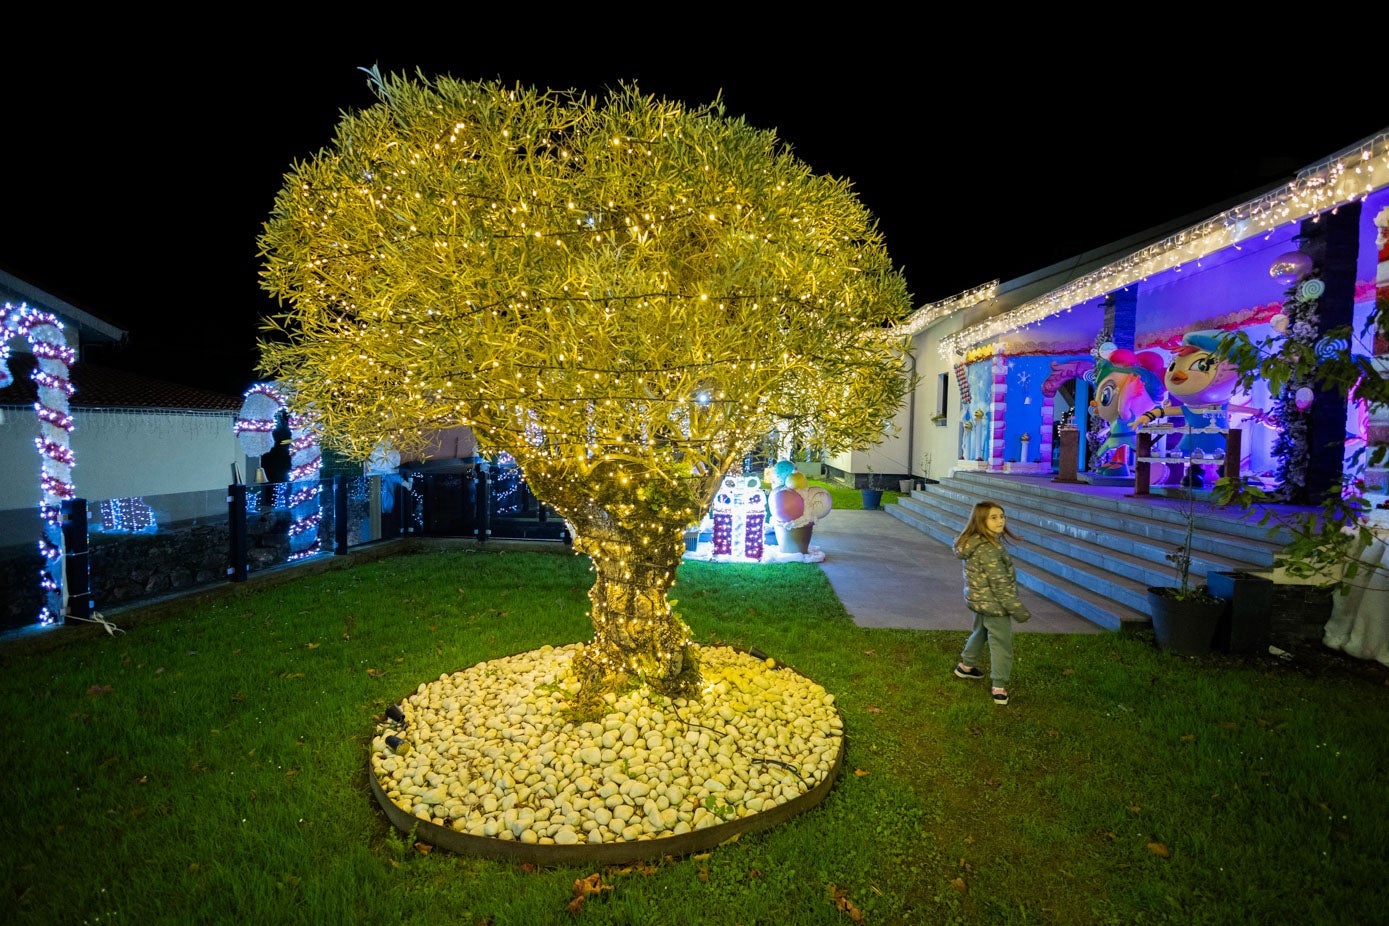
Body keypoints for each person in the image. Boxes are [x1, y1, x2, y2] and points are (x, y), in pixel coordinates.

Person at [952, 501, 1030, 705]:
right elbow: (1000, 584)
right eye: (993, 517)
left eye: (1002, 516)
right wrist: (1017, 609)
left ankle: (966, 667)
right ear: (980, 520)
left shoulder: (975, 542)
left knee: (981, 632)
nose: (1000, 521)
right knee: (1001, 643)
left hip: (979, 600)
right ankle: (999, 686)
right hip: (994, 604)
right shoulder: (988, 549)